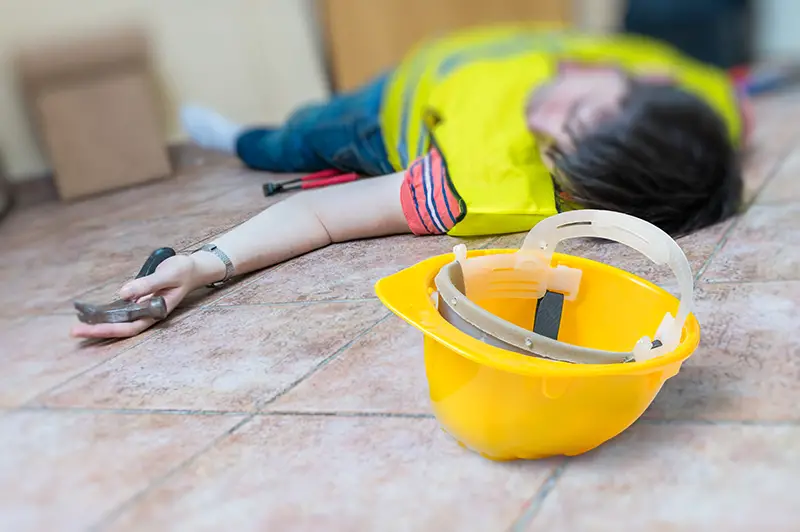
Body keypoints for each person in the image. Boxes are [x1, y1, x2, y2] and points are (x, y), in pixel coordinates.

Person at [71, 25, 749, 340]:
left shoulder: (469, 185)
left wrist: (202, 264)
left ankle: (236, 137)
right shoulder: (695, 99)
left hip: (378, 120)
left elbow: (322, 216)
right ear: (649, 86)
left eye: (554, 146)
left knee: (297, 136)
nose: (544, 117)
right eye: (579, 109)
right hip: (447, 66)